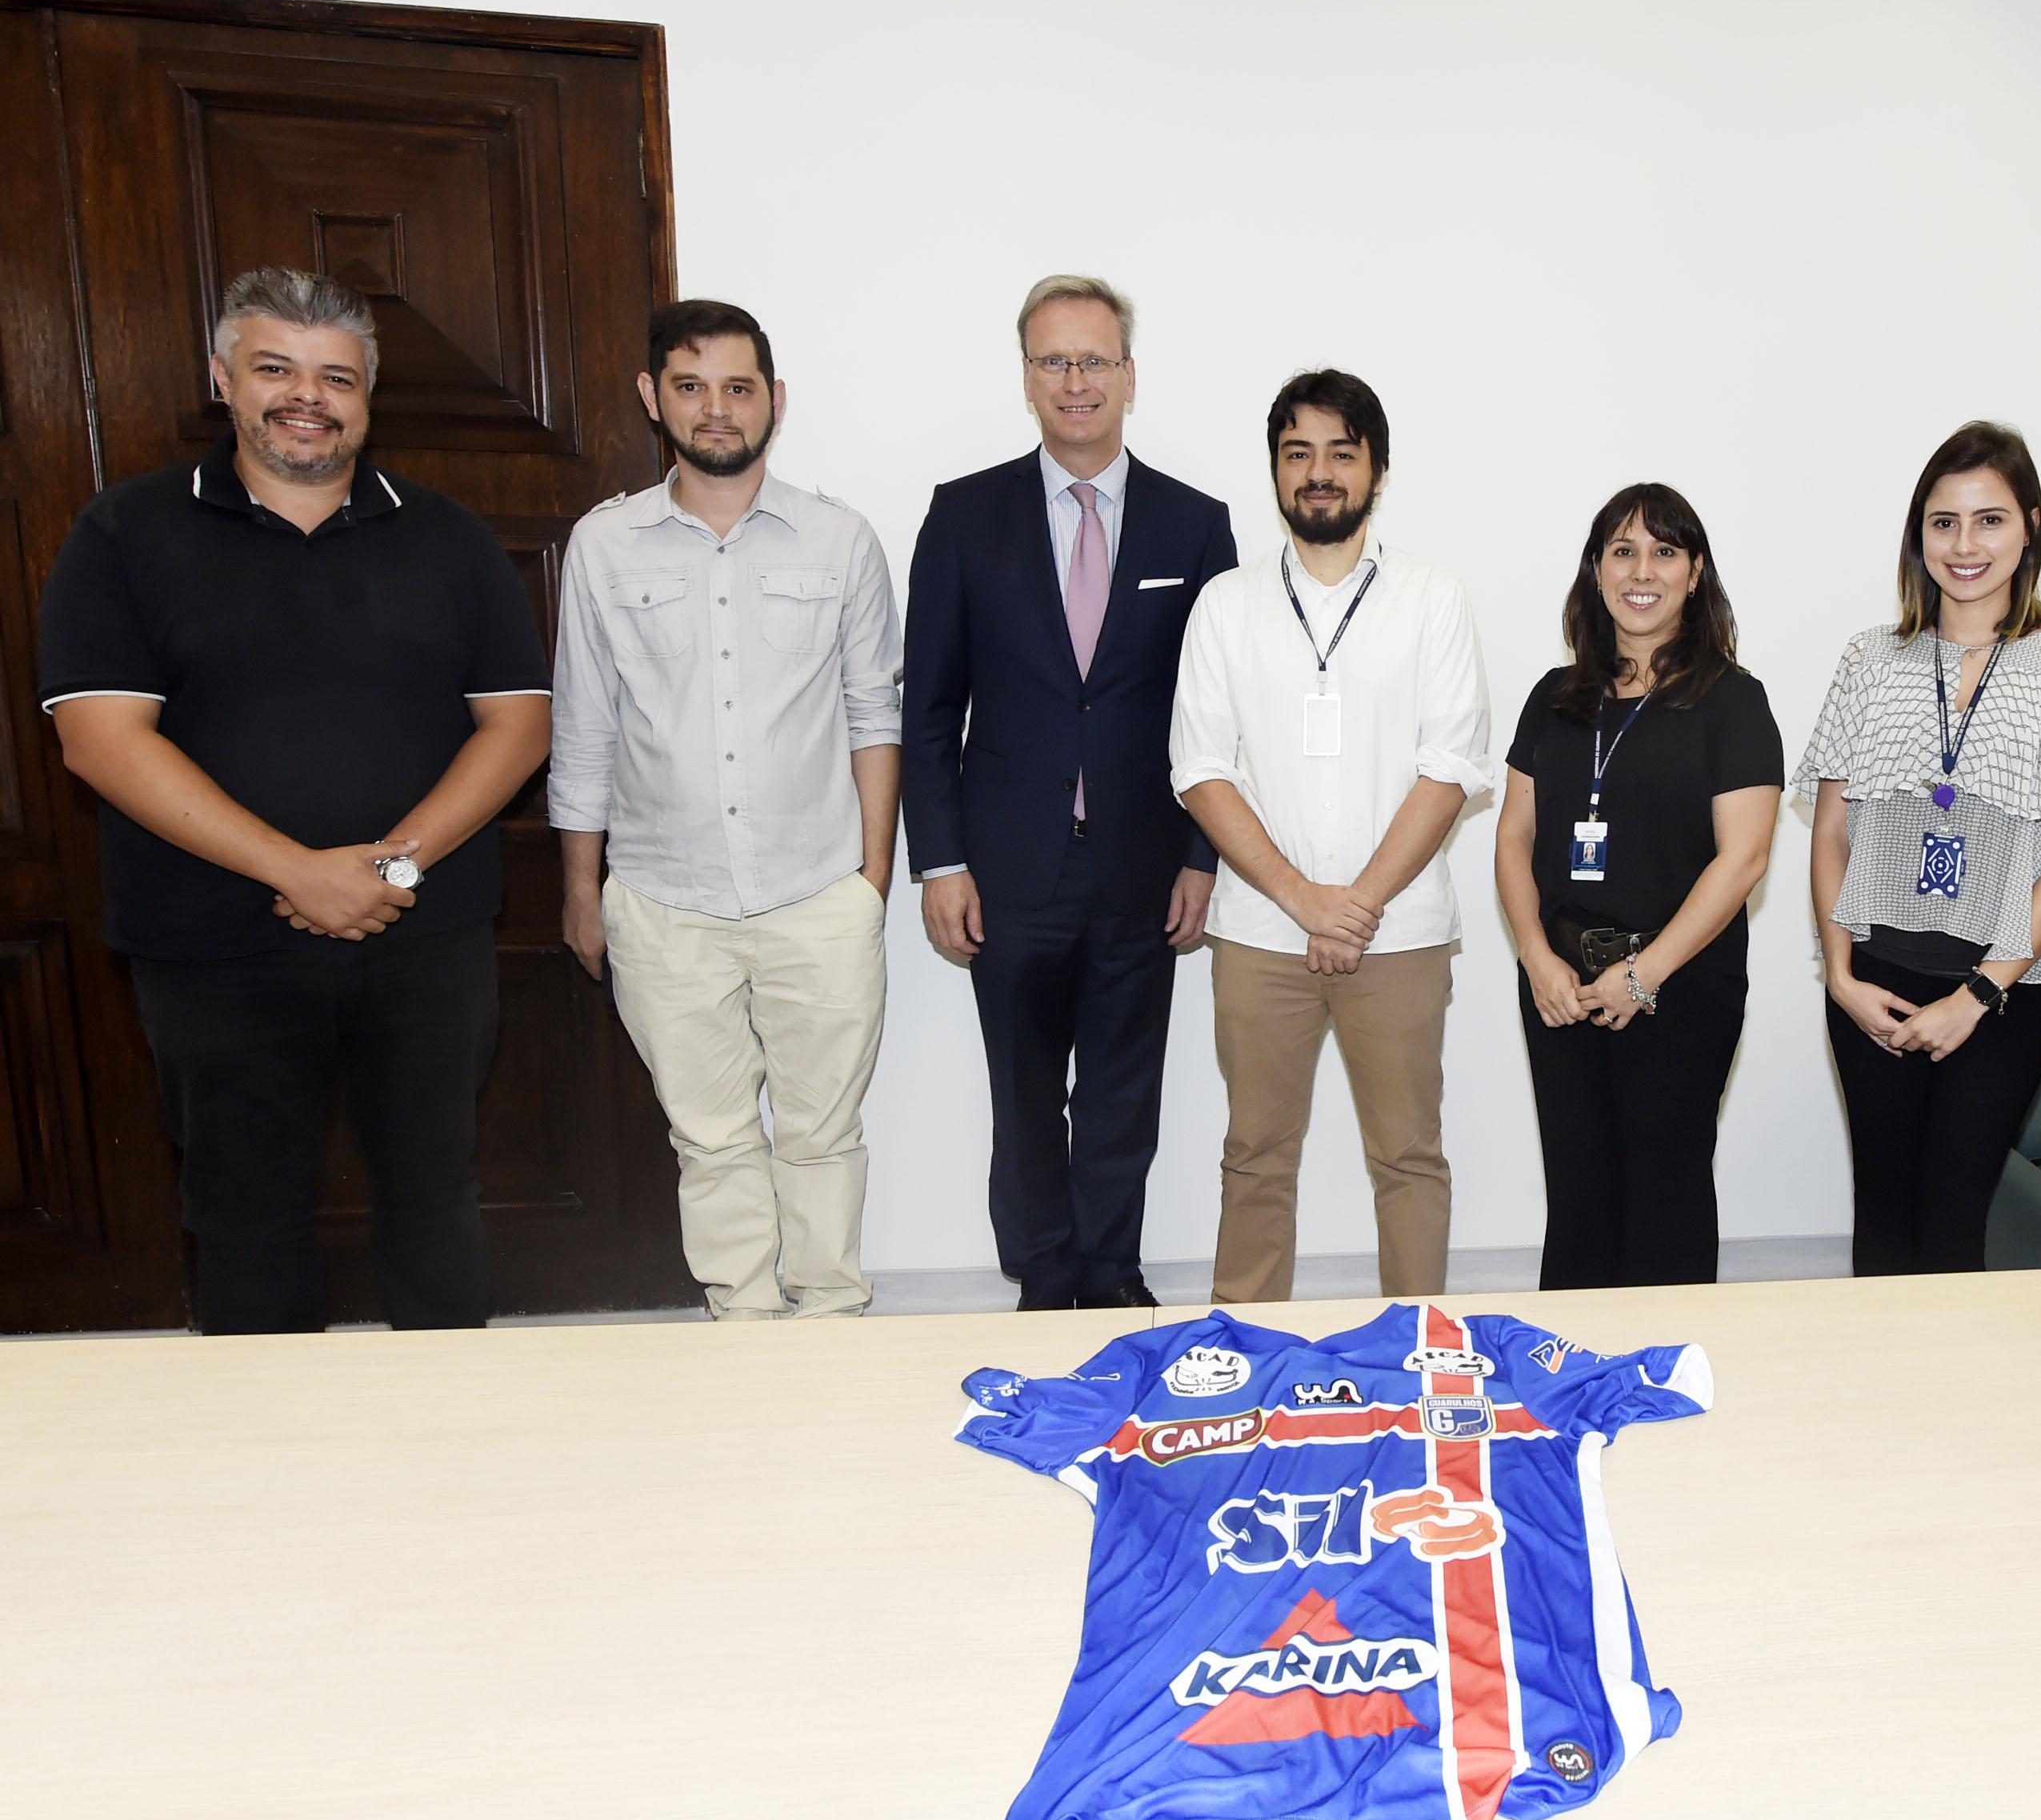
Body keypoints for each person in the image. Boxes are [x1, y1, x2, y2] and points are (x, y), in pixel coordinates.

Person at [34, 267, 552, 1334]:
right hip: (212, 944)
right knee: (244, 1220)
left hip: (423, 936)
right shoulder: (124, 533)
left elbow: (518, 726)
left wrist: (390, 868)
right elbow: (100, 740)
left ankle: (454, 1429)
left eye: (337, 377)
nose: (307, 396)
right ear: (222, 378)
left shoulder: (449, 538)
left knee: (438, 1205)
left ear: (368, 397)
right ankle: (261, 1442)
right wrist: (298, 871)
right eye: (276, 369)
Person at [551, 300, 902, 1320]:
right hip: (665, 902)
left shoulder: (840, 538)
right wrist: (583, 890)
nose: (717, 408)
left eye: (739, 387)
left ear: (774, 400)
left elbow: (874, 714)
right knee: (709, 1140)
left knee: (822, 1134)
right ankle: (744, 1329)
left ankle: (831, 1323)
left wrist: (871, 879)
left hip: (818, 891)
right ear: (652, 396)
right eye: (692, 386)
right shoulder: (604, 545)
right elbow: (584, 726)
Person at [903, 275, 1237, 1313]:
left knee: (1123, 1092)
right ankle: (1046, 1275)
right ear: (1027, 377)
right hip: (1006, 869)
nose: (1076, 380)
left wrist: (1203, 856)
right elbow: (929, 707)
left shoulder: (1196, 525)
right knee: (1024, 1092)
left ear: (1130, 375)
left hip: (1145, 865)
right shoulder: (964, 516)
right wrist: (941, 861)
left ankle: (1110, 1269)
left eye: (1094, 359)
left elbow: (1217, 715)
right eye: (1055, 360)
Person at [1171, 370, 1491, 1303]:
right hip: (1260, 933)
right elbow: (1200, 769)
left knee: (1408, 1156)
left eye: (1341, 453)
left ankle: (1417, 1347)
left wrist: (1357, 905)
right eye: (1298, 452)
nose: (1319, 472)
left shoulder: (1432, 597)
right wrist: (1304, 899)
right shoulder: (1225, 604)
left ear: (1377, 471)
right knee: (1255, 1156)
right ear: (1275, 470)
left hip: (1400, 932)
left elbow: (1451, 766)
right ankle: (1245, 1349)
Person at [1797, 424, 2041, 1274]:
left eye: (1989, 520)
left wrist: (1976, 995)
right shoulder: (1871, 659)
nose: (1965, 545)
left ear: (2030, 528)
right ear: (1919, 535)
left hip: (2000, 999)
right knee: (1881, 1225)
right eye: (1944, 523)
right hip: (1872, 985)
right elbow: (1830, 832)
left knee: (1951, 1235)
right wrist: (1840, 974)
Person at [1497, 485, 1781, 1289]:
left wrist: (1644, 973)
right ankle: (1568, 1359)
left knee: (1666, 1196)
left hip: (1680, 988)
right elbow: (1513, 837)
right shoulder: (1554, 697)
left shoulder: (1732, 700)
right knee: (1578, 1196)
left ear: (1696, 572)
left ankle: (1670, 1357)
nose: (1642, 570)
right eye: (1623, 551)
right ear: (1596, 570)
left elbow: (1744, 858)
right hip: (1561, 988)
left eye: (1664, 551)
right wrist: (1535, 957)